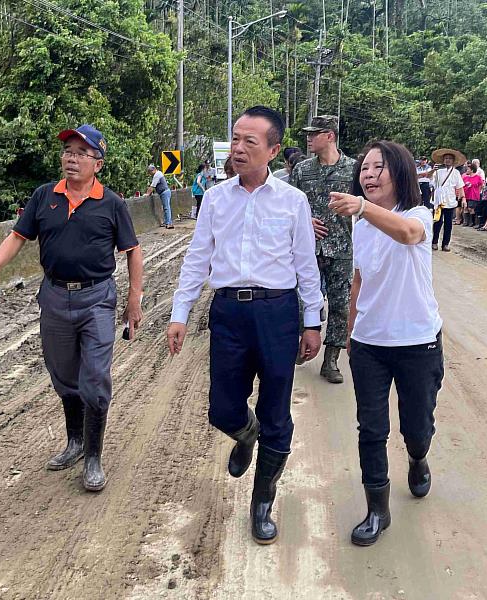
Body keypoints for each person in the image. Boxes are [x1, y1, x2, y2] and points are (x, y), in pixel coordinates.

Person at [167, 106, 323, 545]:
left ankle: (262, 501)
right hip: (229, 313)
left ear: (272, 150)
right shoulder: (216, 198)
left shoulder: (292, 201)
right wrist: (180, 314)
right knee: (222, 408)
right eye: (235, 139)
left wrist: (312, 322)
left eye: (248, 142)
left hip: (277, 314)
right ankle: (244, 433)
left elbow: (306, 267)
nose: (236, 149)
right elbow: (197, 259)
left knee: (277, 410)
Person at [0, 124, 143, 492]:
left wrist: (135, 298)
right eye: (68, 150)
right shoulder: (43, 196)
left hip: (97, 298)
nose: (71, 157)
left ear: (98, 163)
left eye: (81, 153)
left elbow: (133, 251)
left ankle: (94, 457)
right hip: (54, 296)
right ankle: (76, 441)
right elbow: (18, 236)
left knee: (95, 378)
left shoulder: (111, 203)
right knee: (64, 375)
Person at [328, 140, 444, 547]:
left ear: (401, 173)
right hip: (370, 345)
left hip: (417, 342)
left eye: (379, 167)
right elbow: (359, 278)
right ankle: (377, 508)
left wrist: (361, 206)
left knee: (416, 425)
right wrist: (350, 326)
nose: (369, 174)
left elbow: (409, 235)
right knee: (371, 428)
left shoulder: (418, 215)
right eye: (364, 168)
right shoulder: (361, 226)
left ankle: (417, 455)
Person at [290, 115, 357, 384]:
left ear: (330, 136)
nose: (308, 138)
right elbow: (288, 208)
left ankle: (331, 360)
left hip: (342, 249)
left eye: (314, 133)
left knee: (340, 306)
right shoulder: (302, 171)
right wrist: (305, 221)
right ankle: (301, 343)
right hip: (307, 250)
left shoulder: (354, 169)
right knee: (300, 300)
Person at [428, 148, 466, 252]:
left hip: (450, 201)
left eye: (450, 158)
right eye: (446, 158)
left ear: (453, 161)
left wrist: (463, 199)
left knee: (448, 224)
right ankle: (434, 242)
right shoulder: (438, 171)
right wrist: (433, 170)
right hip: (439, 201)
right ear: (443, 160)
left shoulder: (456, 173)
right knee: (437, 222)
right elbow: (429, 178)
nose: (448, 160)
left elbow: (460, 187)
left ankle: (445, 244)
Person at [146, 164, 174, 229]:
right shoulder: (158, 174)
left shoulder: (157, 175)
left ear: (154, 170)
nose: (150, 174)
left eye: (150, 172)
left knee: (166, 208)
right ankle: (166, 222)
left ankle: (168, 223)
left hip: (165, 192)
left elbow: (152, 186)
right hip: (164, 192)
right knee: (165, 208)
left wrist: (147, 194)